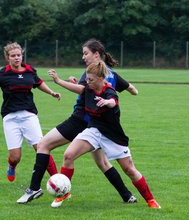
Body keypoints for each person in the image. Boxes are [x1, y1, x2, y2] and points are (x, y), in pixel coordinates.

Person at [17, 39, 138, 205]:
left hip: (81, 120)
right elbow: (131, 89)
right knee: (103, 163)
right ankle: (127, 195)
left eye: (86, 53)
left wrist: (60, 81)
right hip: (99, 126)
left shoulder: (90, 72)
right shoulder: (109, 73)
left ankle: (34, 188)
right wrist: (131, 90)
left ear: (96, 54)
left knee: (44, 144)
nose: (83, 57)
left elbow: (82, 90)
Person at [52, 61, 160, 208]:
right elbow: (79, 89)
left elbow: (113, 101)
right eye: (87, 79)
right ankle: (63, 194)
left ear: (102, 78)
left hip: (113, 135)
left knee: (129, 169)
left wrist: (107, 102)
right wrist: (59, 81)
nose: (87, 82)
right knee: (68, 155)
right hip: (94, 130)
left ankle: (151, 200)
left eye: (91, 79)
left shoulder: (109, 91)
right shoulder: (88, 89)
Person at [0, 42, 61, 182]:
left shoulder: (29, 70)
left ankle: (57, 180)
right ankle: (12, 165)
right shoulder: (3, 74)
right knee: (15, 157)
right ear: (7, 58)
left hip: (29, 115)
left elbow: (38, 83)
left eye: (19, 55)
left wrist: (52, 92)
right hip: (10, 117)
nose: (17, 58)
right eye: (13, 56)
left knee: (42, 148)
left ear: (22, 56)